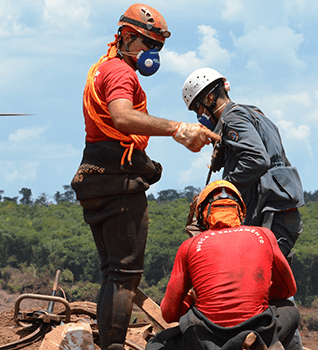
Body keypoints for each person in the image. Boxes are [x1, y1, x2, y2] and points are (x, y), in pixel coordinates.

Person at [70, 4, 219, 349]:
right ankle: (114, 345)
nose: (151, 54)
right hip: (116, 184)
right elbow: (121, 118)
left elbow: (110, 133)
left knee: (112, 271)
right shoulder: (122, 74)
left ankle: (109, 342)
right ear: (124, 36)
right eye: (147, 44)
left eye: (157, 48)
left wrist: (146, 164)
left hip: (95, 175)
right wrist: (178, 129)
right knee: (124, 274)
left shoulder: (100, 70)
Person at [149, 180, 298, 350]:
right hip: (257, 328)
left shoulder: (189, 246)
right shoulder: (264, 235)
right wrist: (254, 294)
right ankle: (260, 342)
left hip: (206, 338)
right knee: (290, 310)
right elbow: (287, 290)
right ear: (240, 212)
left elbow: (169, 313)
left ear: (203, 216)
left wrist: (192, 297)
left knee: (156, 343)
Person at [181, 67, 305, 258]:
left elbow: (257, 160)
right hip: (280, 212)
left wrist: (220, 189)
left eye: (197, 108)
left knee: (257, 278)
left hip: (270, 214)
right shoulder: (254, 113)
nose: (199, 115)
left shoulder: (233, 119)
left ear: (208, 99)